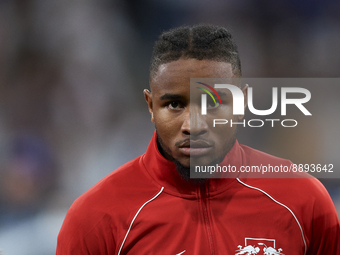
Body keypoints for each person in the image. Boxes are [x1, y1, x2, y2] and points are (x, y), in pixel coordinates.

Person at [56, 24, 339, 255]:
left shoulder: (304, 201)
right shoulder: (95, 219)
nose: (193, 125)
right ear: (151, 107)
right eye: (175, 105)